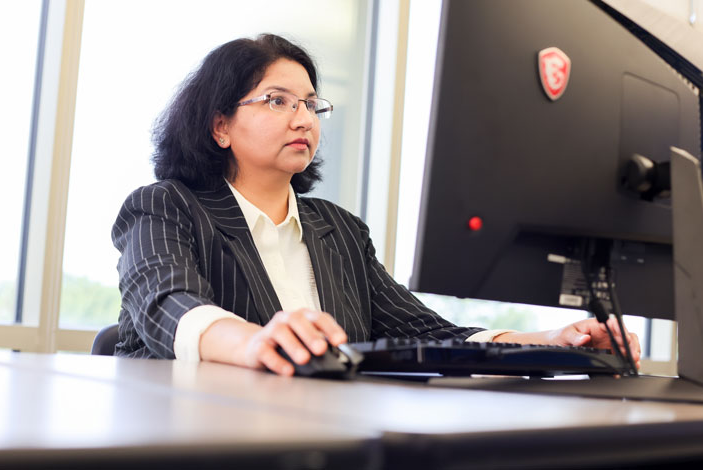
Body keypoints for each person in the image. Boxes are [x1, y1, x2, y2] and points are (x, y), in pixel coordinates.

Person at [112, 34, 640, 376]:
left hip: (320, 437)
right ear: (220, 125)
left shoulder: (339, 231)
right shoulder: (164, 208)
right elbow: (168, 306)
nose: (304, 120)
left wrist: (550, 342)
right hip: (199, 435)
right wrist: (256, 343)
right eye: (278, 101)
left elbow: (427, 332)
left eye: (312, 104)